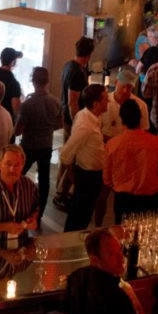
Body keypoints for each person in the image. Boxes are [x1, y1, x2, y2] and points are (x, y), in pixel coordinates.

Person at [103, 100, 158, 220]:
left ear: (121, 120)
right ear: (141, 118)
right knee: (148, 231)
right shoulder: (157, 143)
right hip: (149, 200)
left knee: (123, 231)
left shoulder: (112, 144)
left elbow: (107, 179)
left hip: (123, 200)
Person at [15, 67, 62, 222]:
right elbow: (59, 124)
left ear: (33, 81)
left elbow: (18, 131)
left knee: (17, 174)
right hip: (46, 144)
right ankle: (39, 213)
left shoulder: (28, 104)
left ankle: (15, 204)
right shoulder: (55, 102)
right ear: (47, 81)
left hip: (29, 144)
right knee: (44, 180)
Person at [61, 84, 109, 232]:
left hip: (91, 175)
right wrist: (73, 174)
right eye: (105, 99)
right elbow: (66, 153)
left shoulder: (88, 115)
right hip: (87, 177)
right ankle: (70, 243)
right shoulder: (86, 125)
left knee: (82, 215)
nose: (108, 101)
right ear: (96, 104)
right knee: (79, 217)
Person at [99, 68, 149, 139]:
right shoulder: (104, 102)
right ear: (116, 83)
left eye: (129, 88)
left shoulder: (141, 105)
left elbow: (144, 130)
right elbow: (96, 128)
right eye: (123, 87)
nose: (125, 91)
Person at [0, 47, 23, 118]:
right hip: (4, 119)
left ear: (1, 59)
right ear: (13, 62)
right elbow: (16, 109)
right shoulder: (14, 83)